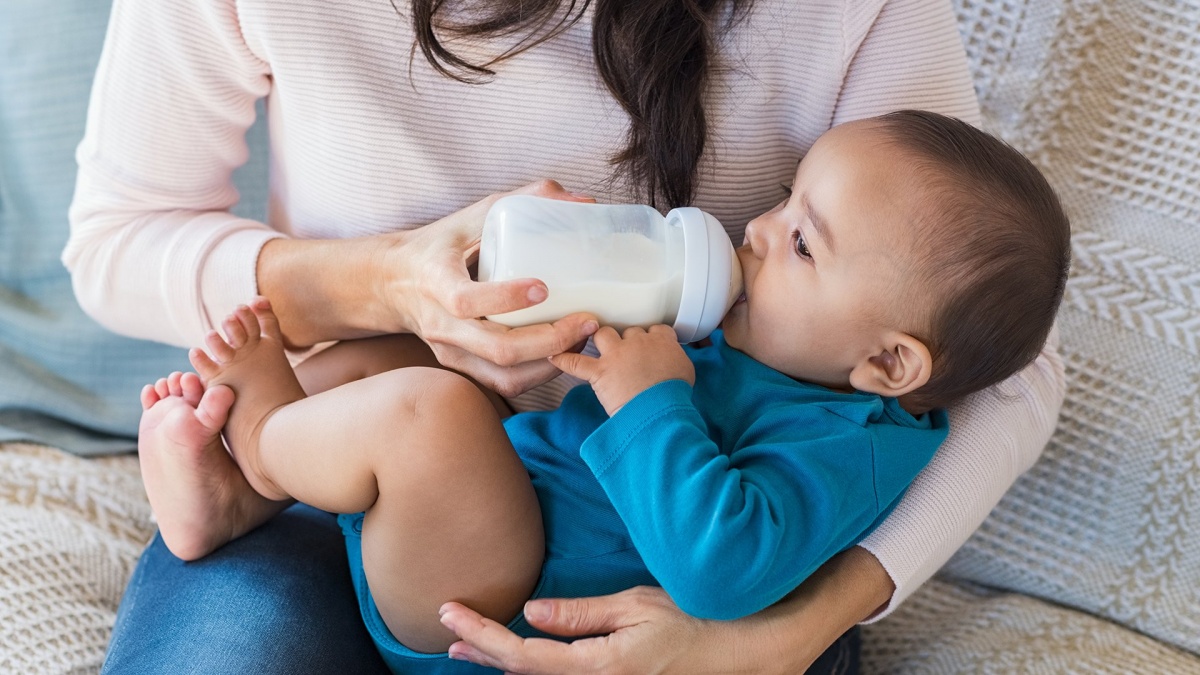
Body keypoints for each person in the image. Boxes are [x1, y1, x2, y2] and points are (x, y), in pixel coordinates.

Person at [67, 0, 1067, 672]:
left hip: (610, 589)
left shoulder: (846, 397)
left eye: (799, 231)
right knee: (385, 366)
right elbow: (115, 239)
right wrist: (386, 281)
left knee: (423, 410)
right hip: (427, 488)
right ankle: (249, 479)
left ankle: (259, 445)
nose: (755, 229)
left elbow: (990, 354)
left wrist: (783, 634)